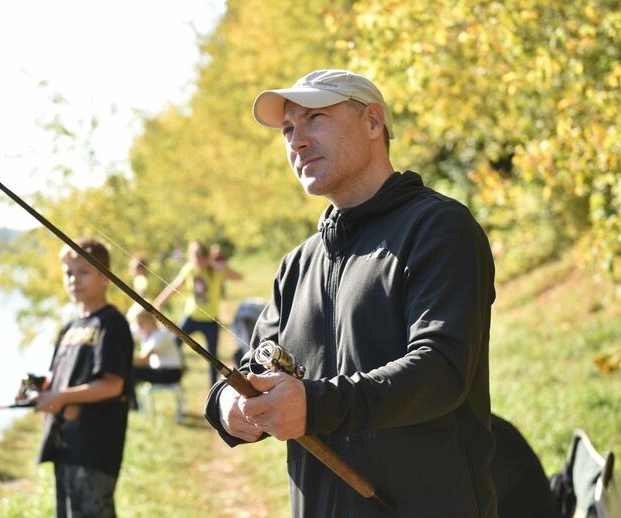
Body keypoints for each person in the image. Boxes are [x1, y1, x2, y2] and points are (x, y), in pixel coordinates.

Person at [204, 69, 498, 516]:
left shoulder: (439, 228)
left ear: (374, 122)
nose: (296, 141)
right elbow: (256, 364)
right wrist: (228, 403)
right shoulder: (297, 265)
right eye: (287, 129)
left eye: (314, 118)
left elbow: (441, 369)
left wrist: (315, 405)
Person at [16, 238, 134, 518]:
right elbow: (58, 378)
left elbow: (112, 384)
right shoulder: (69, 327)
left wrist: (59, 398)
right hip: (64, 443)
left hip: (95, 446)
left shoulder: (111, 323)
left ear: (105, 277)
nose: (74, 280)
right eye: (69, 272)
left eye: (84, 272)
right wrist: (32, 388)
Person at [154, 240, 242, 387]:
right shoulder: (190, 269)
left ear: (207, 257)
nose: (199, 262)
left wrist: (224, 267)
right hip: (191, 317)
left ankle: (212, 389)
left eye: (202, 258)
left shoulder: (216, 270)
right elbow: (175, 286)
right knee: (174, 345)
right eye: (196, 259)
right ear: (191, 258)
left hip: (211, 320)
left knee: (213, 359)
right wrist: (158, 303)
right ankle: (177, 372)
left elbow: (239, 277)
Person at [128, 306, 183, 385]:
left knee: (132, 371)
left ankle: (128, 396)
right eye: (137, 322)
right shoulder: (144, 330)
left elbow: (143, 360)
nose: (138, 325)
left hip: (170, 373)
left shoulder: (160, 335)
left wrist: (122, 360)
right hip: (159, 370)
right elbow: (126, 336)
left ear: (150, 319)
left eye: (140, 322)